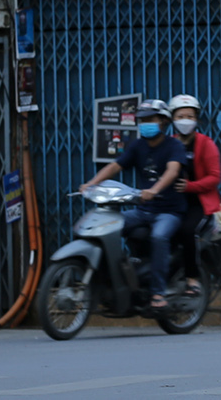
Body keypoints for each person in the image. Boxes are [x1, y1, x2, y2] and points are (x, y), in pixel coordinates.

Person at [79, 98, 188, 312]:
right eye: (143, 119)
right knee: (106, 226)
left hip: (169, 211)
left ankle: (158, 293)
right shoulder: (137, 146)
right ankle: (117, 281)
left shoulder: (174, 145)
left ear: (164, 122)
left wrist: (155, 190)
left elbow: (172, 171)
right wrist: (91, 184)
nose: (146, 123)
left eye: (151, 119)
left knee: (159, 237)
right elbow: (115, 166)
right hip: (143, 210)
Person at [167, 94, 221, 294]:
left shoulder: (206, 144)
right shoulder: (169, 143)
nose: (185, 120)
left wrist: (190, 186)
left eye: (189, 116)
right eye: (180, 116)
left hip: (199, 205)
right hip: (173, 203)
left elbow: (215, 177)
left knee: (186, 231)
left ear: (197, 119)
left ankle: (192, 279)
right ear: (172, 119)